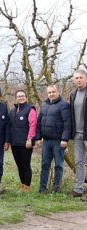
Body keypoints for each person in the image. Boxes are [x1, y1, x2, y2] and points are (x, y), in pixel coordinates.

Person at [35, 84, 71, 194]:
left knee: (58, 165)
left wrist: (65, 139)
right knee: (45, 164)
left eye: (53, 92)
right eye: (49, 92)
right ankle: (42, 188)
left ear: (58, 92)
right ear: (47, 93)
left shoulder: (64, 105)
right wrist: (38, 138)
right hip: (46, 141)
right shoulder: (44, 105)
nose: (51, 94)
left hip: (58, 141)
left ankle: (56, 188)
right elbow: (39, 123)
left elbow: (67, 124)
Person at [9, 90, 37, 192]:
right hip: (15, 143)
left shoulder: (30, 109)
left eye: (22, 96)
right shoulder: (12, 111)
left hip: (25, 143)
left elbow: (33, 125)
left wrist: (30, 139)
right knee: (19, 165)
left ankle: (27, 186)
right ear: (16, 98)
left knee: (25, 164)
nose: (20, 98)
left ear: (26, 97)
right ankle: (23, 185)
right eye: (18, 96)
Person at [70, 69, 87, 197]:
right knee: (78, 162)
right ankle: (79, 188)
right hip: (77, 134)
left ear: (85, 78)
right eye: (76, 78)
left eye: (80, 77)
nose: (78, 80)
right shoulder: (73, 94)